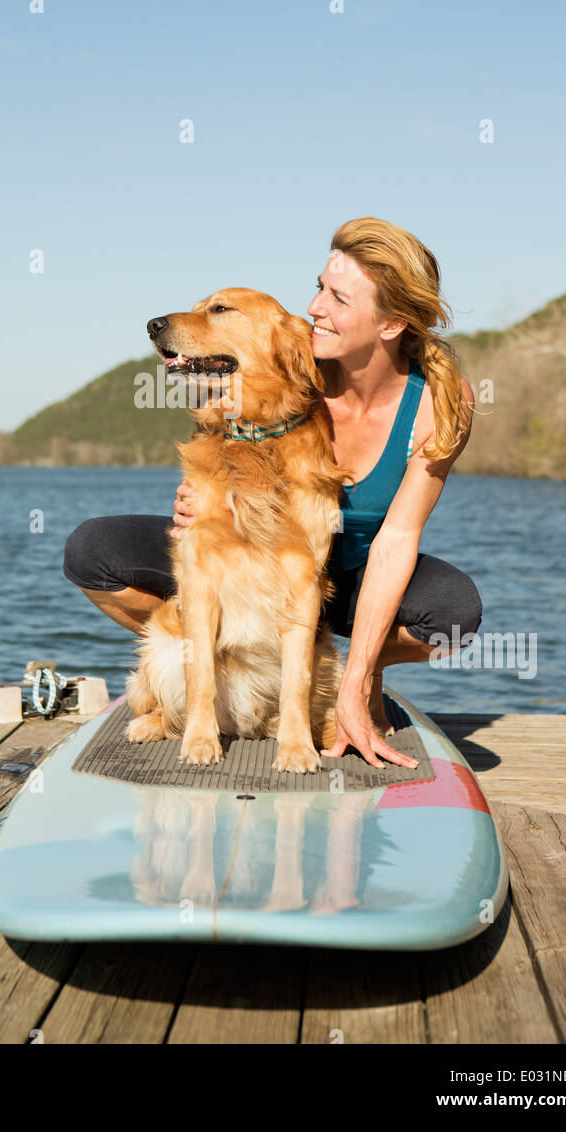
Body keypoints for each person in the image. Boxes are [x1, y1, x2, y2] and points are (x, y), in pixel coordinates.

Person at [63, 216, 481, 770]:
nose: (315, 307)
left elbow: (397, 539)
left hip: (351, 577)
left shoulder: (439, 401)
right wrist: (203, 498)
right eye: (318, 287)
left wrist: (356, 681)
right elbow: (221, 416)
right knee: (94, 549)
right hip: (252, 566)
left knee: (454, 613)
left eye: (338, 297)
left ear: (391, 323)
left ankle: (348, 674)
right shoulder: (292, 368)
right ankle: (215, 674)